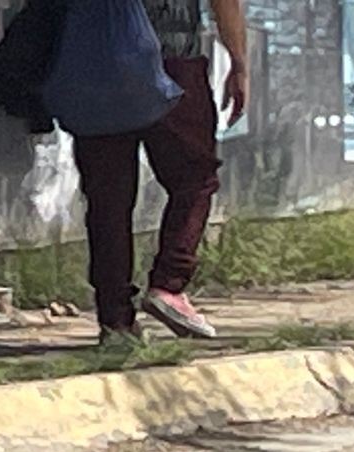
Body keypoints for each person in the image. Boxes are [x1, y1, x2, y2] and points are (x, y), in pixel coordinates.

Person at [73, 0, 248, 343]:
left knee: (108, 198)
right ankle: (169, 284)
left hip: (97, 68)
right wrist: (239, 63)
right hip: (171, 62)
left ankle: (115, 320)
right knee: (195, 177)